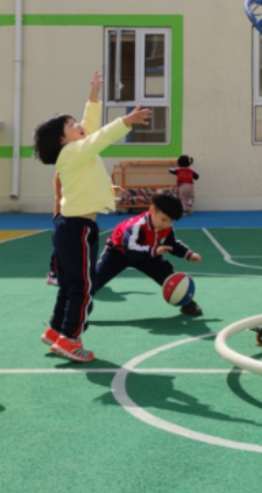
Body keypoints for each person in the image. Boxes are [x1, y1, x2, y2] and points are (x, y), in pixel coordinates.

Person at [33, 71, 152, 364]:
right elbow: (100, 136)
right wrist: (126, 121)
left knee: (69, 284)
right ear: (63, 139)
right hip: (78, 228)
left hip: (68, 226)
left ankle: (55, 331)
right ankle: (71, 339)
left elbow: (89, 129)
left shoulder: (73, 153)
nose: (79, 126)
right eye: (72, 125)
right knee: (84, 286)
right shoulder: (75, 151)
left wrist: (93, 98)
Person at [94, 192, 204, 316]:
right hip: (118, 253)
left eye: (170, 221)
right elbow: (129, 249)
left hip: (147, 254)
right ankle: (76, 304)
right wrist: (154, 251)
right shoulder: (137, 226)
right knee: (95, 279)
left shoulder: (166, 227)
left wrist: (189, 254)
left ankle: (187, 303)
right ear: (152, 210)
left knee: (167, 273)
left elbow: (172, 243)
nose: (166, 224)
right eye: (164, 219)